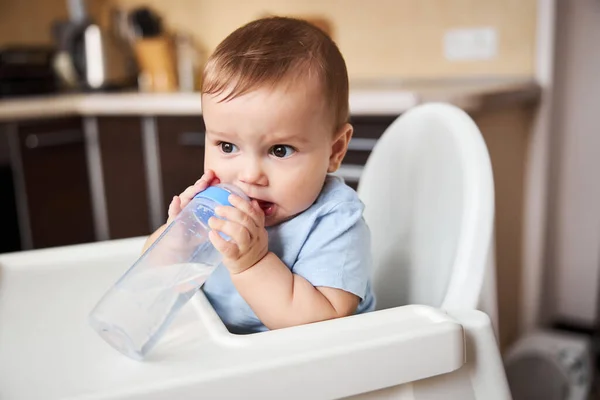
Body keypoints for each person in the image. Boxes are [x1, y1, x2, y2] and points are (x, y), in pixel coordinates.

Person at [143, 16, 375, 334]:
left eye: (280, 150)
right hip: (224, 353)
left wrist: (252, 264)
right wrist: (179, 236)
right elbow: (149, 274)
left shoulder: (334, 219)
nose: (249, 175)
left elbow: (325, 326)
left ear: (334, 151)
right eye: (227, 146)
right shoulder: (215, 207)